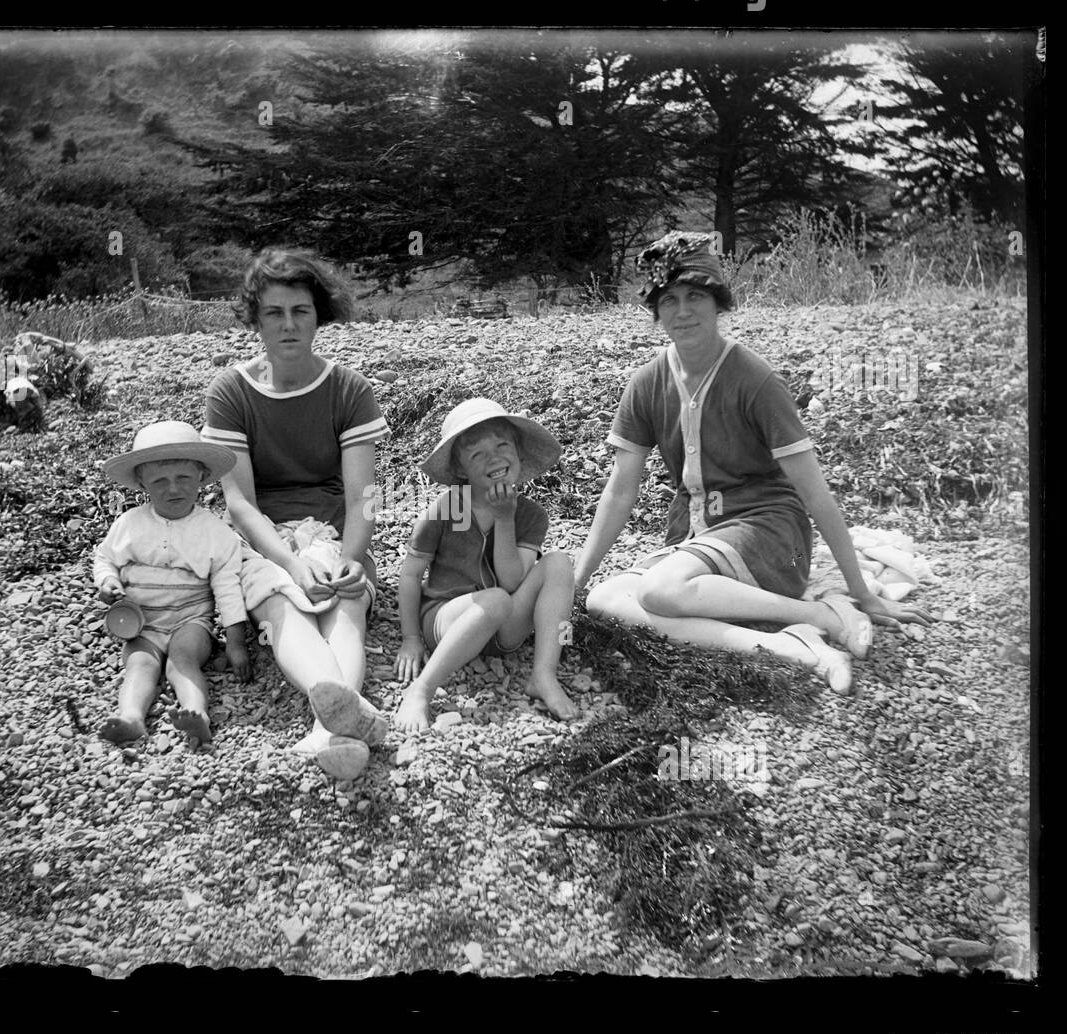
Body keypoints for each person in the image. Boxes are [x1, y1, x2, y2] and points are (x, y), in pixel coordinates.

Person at [573, 231, 932, 693]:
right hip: (699, 535)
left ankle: (821, 614)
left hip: (770, 530)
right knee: (605, 599)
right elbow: (621, 490)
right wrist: (577, 582)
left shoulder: (755, 379)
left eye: (696, 297)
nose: (682, 312)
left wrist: (860, 590)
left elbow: (813, 492)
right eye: (669, 300)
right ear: (656, 310)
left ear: (718, 303)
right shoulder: (646, 383)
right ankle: (793, 646)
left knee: (659, 592)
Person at [202, 248, 391, 780]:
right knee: (282, 606)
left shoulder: (349, 389)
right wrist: (287, 560)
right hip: (267, 539)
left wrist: (352, 558)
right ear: (256, 319)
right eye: (274, 313)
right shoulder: (231, 392)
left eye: (300, 311)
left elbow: (365, 498)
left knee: (343, 601)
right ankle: (343, 723)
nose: (288, 325)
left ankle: (328, 730)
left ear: (318, 314)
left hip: (332, 530)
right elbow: (239, 502)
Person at [394, 398, 579, 733]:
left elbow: (511, 581)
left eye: (502, 445)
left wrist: (505, 520)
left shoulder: (530, 515)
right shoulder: (448, 507)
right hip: (447, 620)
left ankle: (543, 674)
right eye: (477, 454)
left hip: (504, 629)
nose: (493, 457)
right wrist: (410, 638)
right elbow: (409, 575)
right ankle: (421, 690)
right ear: (461, 470)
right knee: (495, 600)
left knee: (558, 563)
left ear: (519, 453)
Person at [94, 420, 252, 747]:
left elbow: (227, 586)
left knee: (183, 661)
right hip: (142, 622)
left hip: (189, 620)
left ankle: (197, 713)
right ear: (142, 483)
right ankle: (131, 717)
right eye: (160, 481)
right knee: (139, 664)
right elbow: (105, 558)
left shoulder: (213, 531)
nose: (173, 489)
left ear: (201, 477)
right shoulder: (129, 524)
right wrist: (108, 581)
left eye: (183, 478)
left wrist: (236, 642)